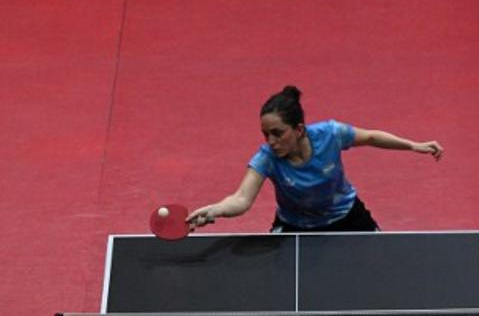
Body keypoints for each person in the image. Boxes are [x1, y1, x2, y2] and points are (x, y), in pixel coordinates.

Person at [186, 86, 443, 233]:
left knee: (379, 263)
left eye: (278, 133)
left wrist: (413, 145)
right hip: (294, 225)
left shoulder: (331, 134)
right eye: (266, 134)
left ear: (299, 130)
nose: (271, 141)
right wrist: (216, 209)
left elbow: (372, 137)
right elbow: (241, 199)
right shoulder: (267, 158)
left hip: (346, 216)